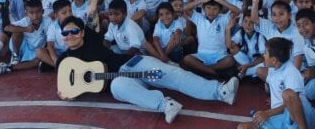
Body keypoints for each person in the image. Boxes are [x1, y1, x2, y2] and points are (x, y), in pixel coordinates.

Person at [55, 16, 239, 124]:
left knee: (172, 74)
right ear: (61, 36)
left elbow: (92, 15)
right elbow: (67, 85)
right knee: (117, 86)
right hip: (120, 80)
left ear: (82, 32)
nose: (70, 35)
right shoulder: (63, 60)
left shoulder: (92, 40)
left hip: (132, 64)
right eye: (65, 33)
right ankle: (166, 105)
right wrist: (68, 93)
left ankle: (221, 91)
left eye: (74, 31)